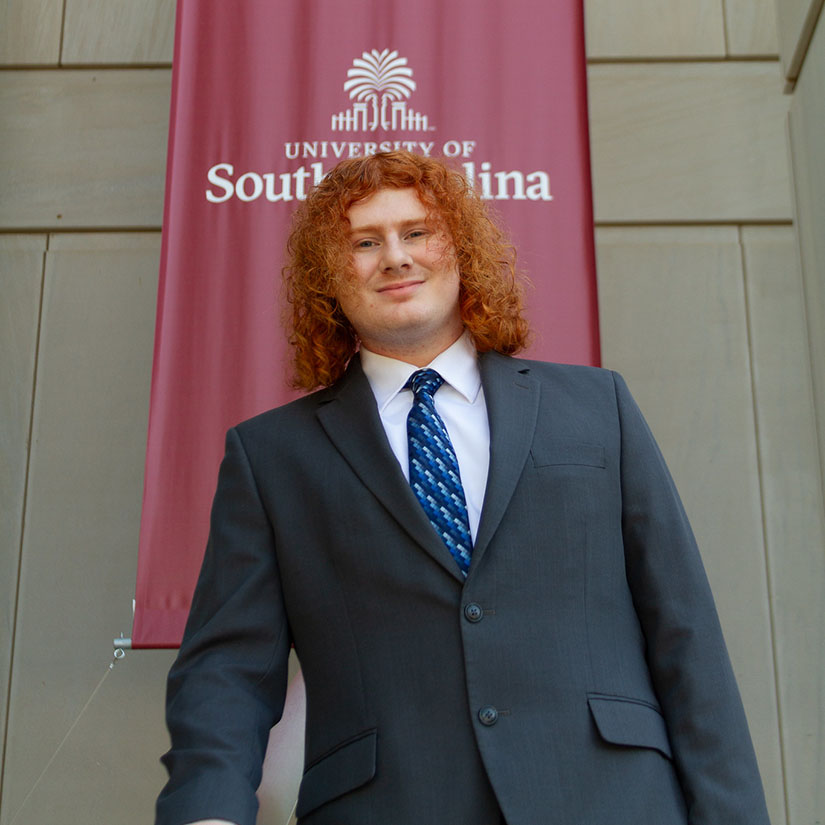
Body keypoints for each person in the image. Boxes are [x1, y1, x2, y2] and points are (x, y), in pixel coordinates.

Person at [157, 151, 771, 825]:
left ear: (462, 249)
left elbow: (683, 631)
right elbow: (227, 669)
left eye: (416, 232)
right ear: (328, 278)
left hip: (611, 799)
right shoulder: (270, 456)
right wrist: (206, 811)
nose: (395, 257)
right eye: (364, 242)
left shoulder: (598, 407)